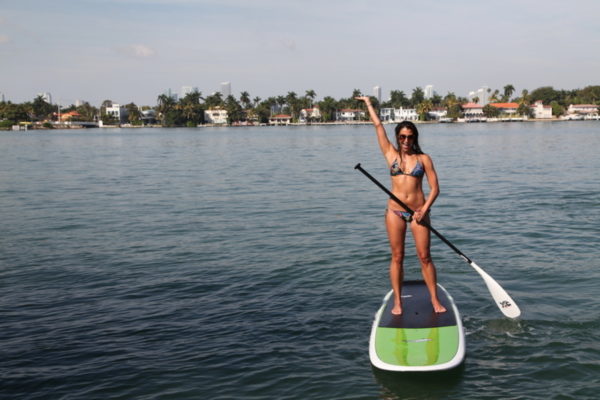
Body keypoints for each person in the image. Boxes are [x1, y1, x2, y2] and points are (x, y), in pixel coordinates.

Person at [356, 96, 446, 315]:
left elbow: (435, 188)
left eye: (410, 136)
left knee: (425, 257)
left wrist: (423, 210)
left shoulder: (424, 159)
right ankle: (398, 301)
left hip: (418, 213)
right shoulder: (391, 155)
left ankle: (434, 299)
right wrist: (368, 103)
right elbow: (378, 126)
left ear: (414, 138)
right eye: (402, 136)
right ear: (398, 137)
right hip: (395, 212)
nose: (406, 140)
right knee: (397, 256)